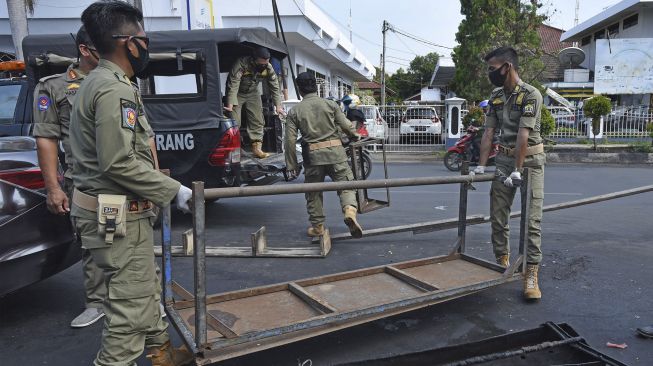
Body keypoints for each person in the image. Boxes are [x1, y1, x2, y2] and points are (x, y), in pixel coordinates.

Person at [71, 2, 194, 365]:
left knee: (141, 289)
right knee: (129, 312)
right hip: (117, 215)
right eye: (144, 38)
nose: (146, 45)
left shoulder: (103, 82)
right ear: (128, 42)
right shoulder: (114, 90)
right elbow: (118, 162)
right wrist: (175, 192)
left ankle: (161, 354)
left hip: (112, 213)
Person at [33, 26, 108, 328]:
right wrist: (53, 188)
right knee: (91, 243)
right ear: (84, 49)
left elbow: (143, 133)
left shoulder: (119, 79)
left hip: (124, 180)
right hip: (85, 181)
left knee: (128, 240)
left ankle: (138, 297)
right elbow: (46, 139)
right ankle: (97, 302)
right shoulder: (54, 86)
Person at [471, 46, 545, 301]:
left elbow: (524, 134)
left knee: (531, 220)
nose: (489, 74)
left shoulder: (531, 95)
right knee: (498, 214)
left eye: (492, 69)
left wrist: (518, 169)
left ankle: (530, 273)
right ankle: (502, 261)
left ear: (507, 67)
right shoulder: (496, 96)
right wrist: (481, 165)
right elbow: (489, 132)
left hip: (531, 160)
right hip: (503, 159)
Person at [284, 72, 363, 239]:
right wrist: (354, 135)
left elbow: (289, 141)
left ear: (299, 89)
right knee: (346, 186)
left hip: (312, 158)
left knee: (313, 192)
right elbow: (346, 126)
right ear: (316, 86)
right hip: (336, 154)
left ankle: (318, 227)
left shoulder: (294, 111)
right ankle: (349, 211)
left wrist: (292, 166)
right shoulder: (331, 105)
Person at [224, 46, 285, 159]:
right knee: (234, 120)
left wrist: (278, 106)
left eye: (266, 63)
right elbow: (233, 84)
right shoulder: (241, 64)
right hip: (237, 92)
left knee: (257, 120)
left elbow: (274, 86)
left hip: (253, 92)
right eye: (261, 64)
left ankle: (257, 148)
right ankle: (235, 147)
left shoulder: (268, 67)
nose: (264, 66)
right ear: (254, 59)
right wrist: (230, 103)